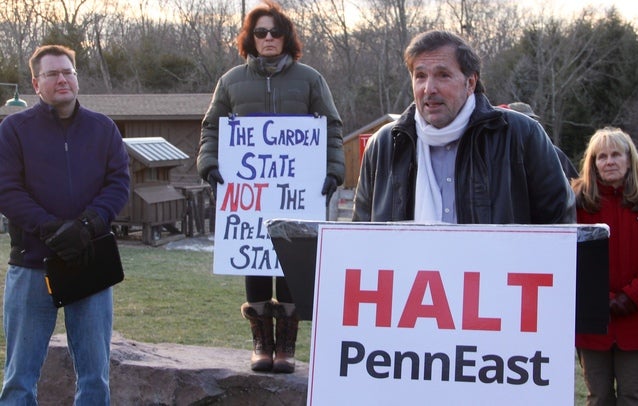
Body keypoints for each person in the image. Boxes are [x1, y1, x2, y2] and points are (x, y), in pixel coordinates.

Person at [196, 0, 344, 374]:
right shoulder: (230, 82)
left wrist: (333, 170)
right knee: (256, 260)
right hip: (250, 194)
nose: (268, 38)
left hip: (299, 191)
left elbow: (331, 126)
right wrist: (209, 163)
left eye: (275, 32)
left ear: (286, 37)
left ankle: (287, 346)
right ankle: (261, 342)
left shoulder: (310, 79)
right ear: (251, 38)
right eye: (260, 32)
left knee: (291, 261)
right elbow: (211, 127)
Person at [0, 45, 130, 404]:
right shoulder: (14, 130)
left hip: (90, 262)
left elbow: (118, 183)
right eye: (52, 74)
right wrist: (52, 228)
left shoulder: (104, 129)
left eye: (68, 72)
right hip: (32, 265)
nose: (62, 79)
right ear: (35, 83)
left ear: (77, 78)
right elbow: (6, 189)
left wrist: (87, 225)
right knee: (19, 380)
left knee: (94, 380)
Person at [352, 30, 574, 224]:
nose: (429, 88)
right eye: (420, 76)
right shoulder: (384, 144)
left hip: (494, 272)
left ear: (470, 83)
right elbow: (361, 235)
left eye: (443, 75)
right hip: (408, 273)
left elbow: (559, 224)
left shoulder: (521, 135)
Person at [573, 127, 638, 405]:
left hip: (637, 316)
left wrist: (630, 297)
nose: (609, 161)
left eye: (616, 154)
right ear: (593, 163)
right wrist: (598, 300)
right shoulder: (578, 201)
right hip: (593, 320)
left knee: (633, 395)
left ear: (630, 159)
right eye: (601, 156)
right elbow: (571, 254)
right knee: (599, 396)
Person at [503, 101, 579, 180]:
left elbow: (574, 184)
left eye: (530, 120)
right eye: (522, 121)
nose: (526, 126)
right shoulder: (500, 155)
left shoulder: (552, 152)